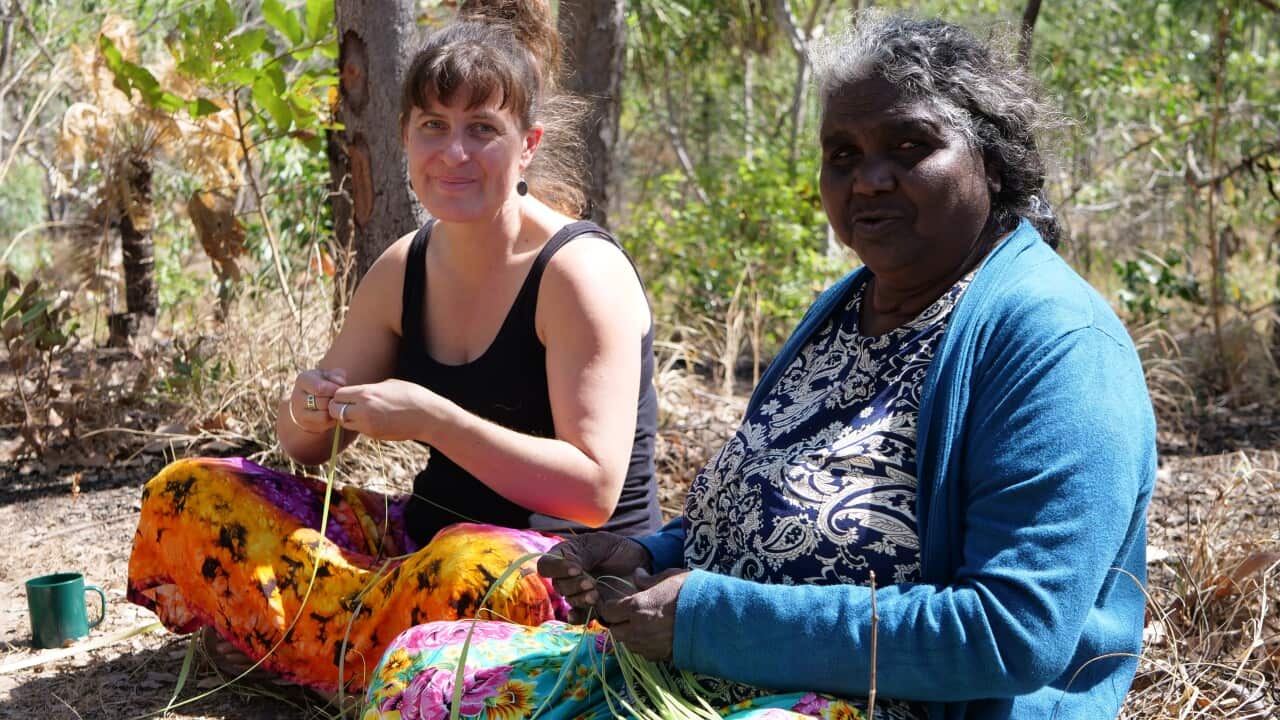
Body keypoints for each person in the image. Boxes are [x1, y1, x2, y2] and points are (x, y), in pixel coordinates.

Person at [359, 12, 1156, 720]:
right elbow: (759, 522)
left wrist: (704, 619)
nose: (869, 177)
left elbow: (1011, 635)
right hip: (723, 668)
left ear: (991, 157)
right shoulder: (851, 307)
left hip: (889, 702)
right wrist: (649, 557)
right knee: (420, 676)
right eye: (843, 154)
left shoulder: (1054, 344)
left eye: (911, 145)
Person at [126, 0, 661, 694]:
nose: (454, 153)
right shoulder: (404, 267)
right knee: (187, 492)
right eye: (433, 127)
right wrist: (315, 403)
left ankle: (302, 647)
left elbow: (592, 492)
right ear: (404, 138)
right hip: (422, 547)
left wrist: (433, 419)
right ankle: (360, 655)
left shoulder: (578, 274)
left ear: (527, 144)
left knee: (467, 575)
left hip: (560, 573)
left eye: (482, 130)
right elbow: (301, 443)